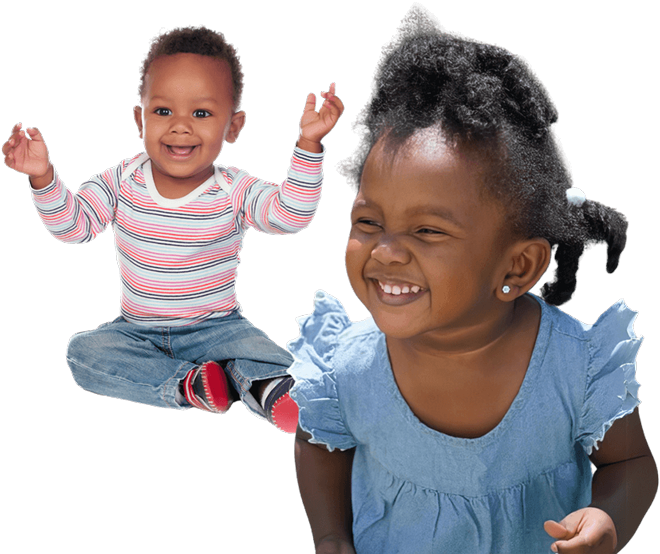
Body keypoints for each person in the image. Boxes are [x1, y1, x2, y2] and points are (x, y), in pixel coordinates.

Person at [288, 6, 656, 552]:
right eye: (369, 221)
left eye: (428, 231)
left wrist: (608, 521)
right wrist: (331, 534)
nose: (386, 251)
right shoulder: (349, 364)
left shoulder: (575, 368)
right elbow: (322, 442)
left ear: (518, 267)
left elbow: (629, 463)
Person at [2, 25, 344, 433]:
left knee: (261, 353)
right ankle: (188, 385)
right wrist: (42, 176)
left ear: (233, 127)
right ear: (139, 119)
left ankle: (270, 388)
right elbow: (73, 227)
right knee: (83, 353)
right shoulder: (120, 180)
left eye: (201, 113)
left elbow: (290, 216)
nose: (180, 126)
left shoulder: (233, 188)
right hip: (136, 332)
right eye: (163, 111)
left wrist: (308, 145)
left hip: (218, 329)